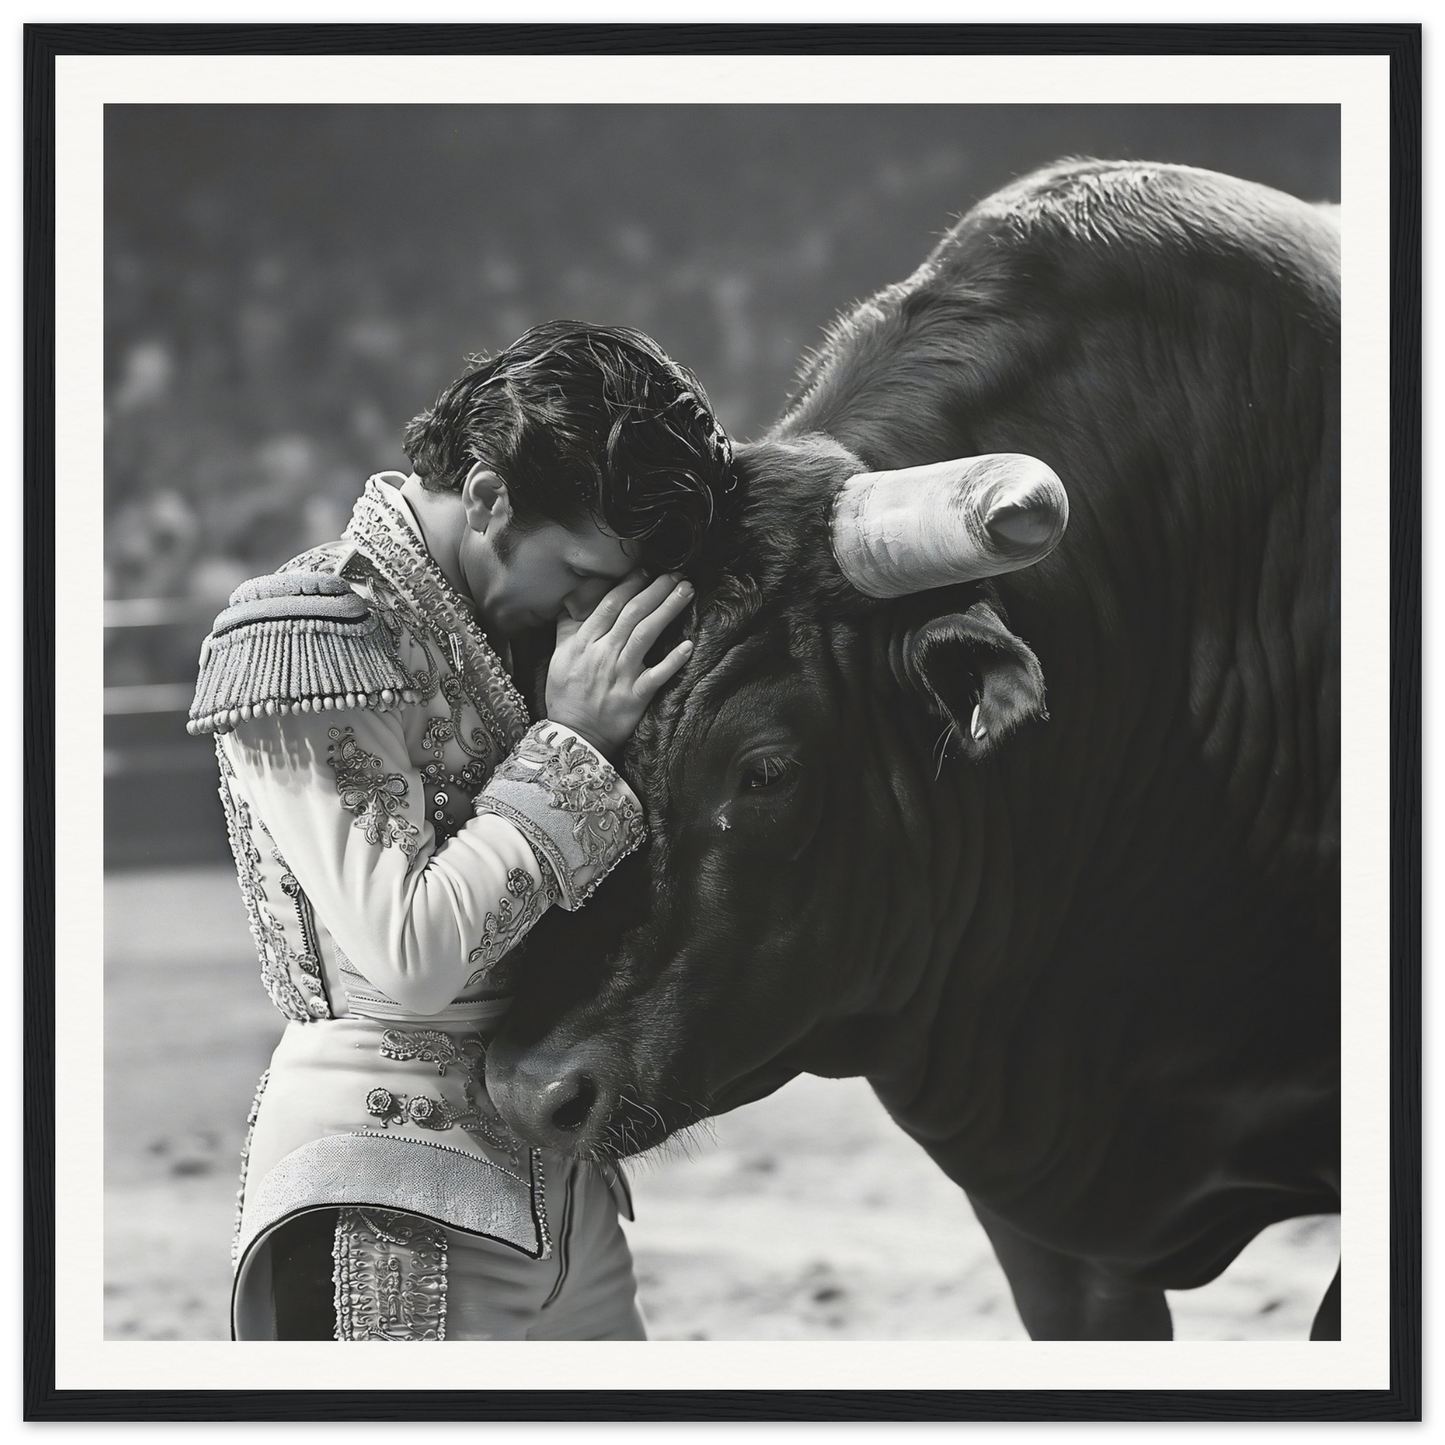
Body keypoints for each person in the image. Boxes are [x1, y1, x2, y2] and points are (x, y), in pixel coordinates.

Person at [189, 321, 737, 1340]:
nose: (590, 606)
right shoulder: (319, 627)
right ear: (487, 496)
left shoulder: (509, 631)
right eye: (577, 568)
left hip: (565, 1192)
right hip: (383, 1190)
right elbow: (413, 955)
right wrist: (570, 740)